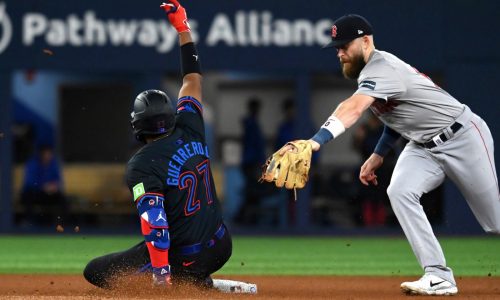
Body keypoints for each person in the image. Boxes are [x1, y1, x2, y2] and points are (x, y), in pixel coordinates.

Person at [279, 14, 499, 296]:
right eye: (336, 47)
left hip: (462, 136)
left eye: (345, 45)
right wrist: (379, 153)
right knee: (400, 191)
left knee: (495, 222)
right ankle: (438, 274)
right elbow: (398, 116)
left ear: (366, 41)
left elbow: (353, 108)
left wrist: (316, 141)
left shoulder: (381, 68)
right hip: (423, 145)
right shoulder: (369, 73)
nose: (340, 52)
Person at [84, 1, 231, 289]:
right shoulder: (190, 124)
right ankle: (200, 282)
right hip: (222, 246)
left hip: (185, 259)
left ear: (138, 125)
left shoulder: (141, 164)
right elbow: (192, 77)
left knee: (96, 271)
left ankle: (191, 282)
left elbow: (155, 223)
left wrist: (161, 278)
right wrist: (183, 29)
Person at [20, 143, 68, 226]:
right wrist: (43, 186)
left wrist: (54, 186)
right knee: (28, 197)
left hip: (49, 194)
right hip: (35, 193)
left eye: (49, 154)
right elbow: (30, 182)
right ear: (41, 154)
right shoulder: (32, 163)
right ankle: (30, 222)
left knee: (63, 200)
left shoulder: (53, 164)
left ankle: (61, 225)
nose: (48, 156)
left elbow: (58, 180)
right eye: (46, 153)